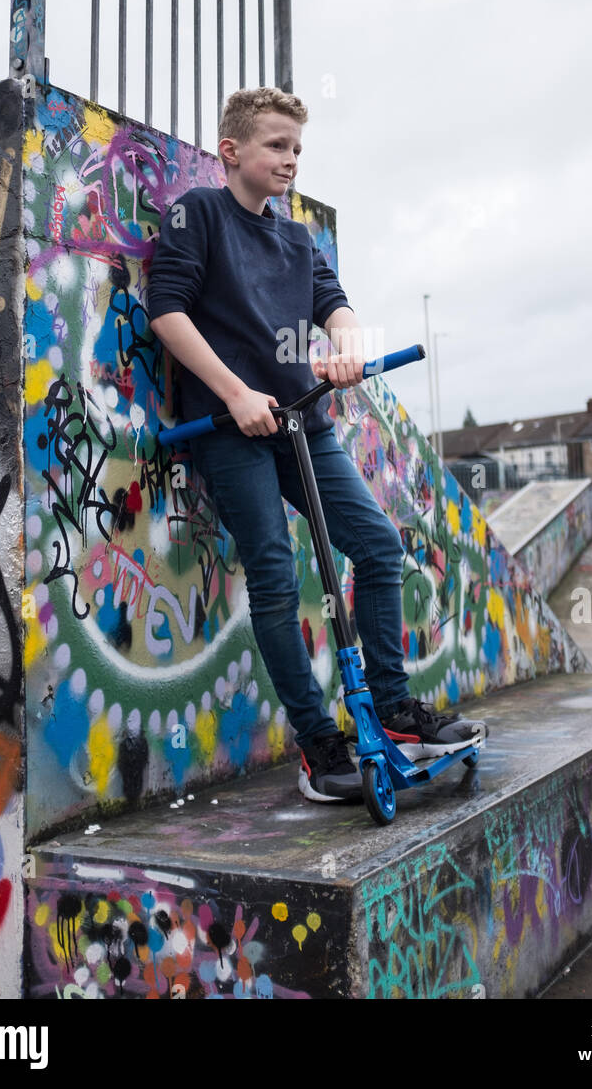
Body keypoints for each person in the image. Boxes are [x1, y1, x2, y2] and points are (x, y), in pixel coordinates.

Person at [148, 86, 486, 802]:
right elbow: (168, 313)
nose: (290, 159)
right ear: (231, 151)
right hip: (229, 428)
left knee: (377, 544)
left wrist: (347, 352)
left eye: (297, 148)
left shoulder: (298, 238)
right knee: (274, 573)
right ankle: (318, 746)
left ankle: (394, 712)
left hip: (305, 420)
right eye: (277, 145)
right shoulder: (198, 214)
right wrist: (235, 393)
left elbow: (337, 308)